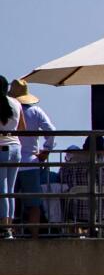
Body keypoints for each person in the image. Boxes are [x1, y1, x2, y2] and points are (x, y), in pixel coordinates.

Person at [9, 82, 56, 237]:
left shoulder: (8, 111)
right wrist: (46, 150)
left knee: (9, 199)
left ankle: (9, 232)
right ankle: (34, 235)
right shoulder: (36, 111)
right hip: (31, 162)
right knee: (34, 204)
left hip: (10, 161)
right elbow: (51, 130)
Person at [59, 135, 104, 237]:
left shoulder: (68, 168)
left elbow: (61, 185)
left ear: (84, 148)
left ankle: (74, 237)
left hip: (75, 215)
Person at [0, 85, 16, 238]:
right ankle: (9, 226)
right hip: (15, 146)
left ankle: (4, 228)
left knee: (2, 189)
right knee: (10, 190)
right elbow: (22, 126)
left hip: (2, 147)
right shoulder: (16, 103)